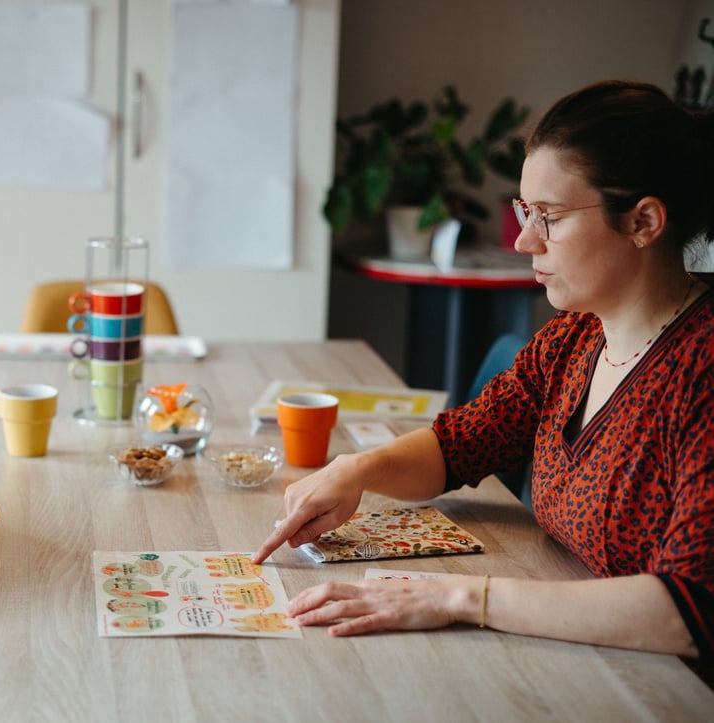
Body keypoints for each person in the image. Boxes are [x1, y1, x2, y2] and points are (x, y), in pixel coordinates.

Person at [254, 80, 714, 683]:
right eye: (526, 213)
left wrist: (458, 598)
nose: (524, 240)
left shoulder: (701, 371)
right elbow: (460, 444)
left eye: (548, 217)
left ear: (644, 221)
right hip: (576, 656)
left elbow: (689, 610)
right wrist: (353, 472)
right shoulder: (572, 338)